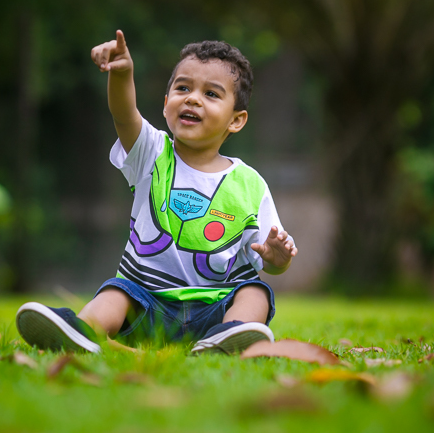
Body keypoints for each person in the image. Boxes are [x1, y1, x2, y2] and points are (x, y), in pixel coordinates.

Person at [16, 31, 298, 355]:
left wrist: (277, 260)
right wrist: (122, 73)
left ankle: (229, 336)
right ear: (166, 105)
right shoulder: (152, 153)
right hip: (148, 306)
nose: (192, 99)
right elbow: (124, 115)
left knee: (255, 292)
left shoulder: (250, 184)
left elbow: (268, 261)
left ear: (236, 120)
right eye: (183, 88)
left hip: (216, 310)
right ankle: (82, 331)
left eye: (211, 93)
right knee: (118, 290)